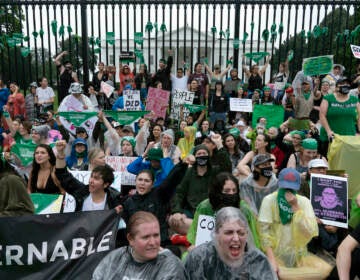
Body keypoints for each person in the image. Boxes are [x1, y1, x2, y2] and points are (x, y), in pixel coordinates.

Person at [258, 168, 333, 279]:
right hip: (274, 255)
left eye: (291, 188)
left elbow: (310, 232)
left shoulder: (304, 202)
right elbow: (264, 233)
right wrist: (272, 260)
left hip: (299, 256)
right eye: (285, 187)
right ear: (279, 184)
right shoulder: (269, 200)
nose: (288, 191)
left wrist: (296, 207)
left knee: (324, 270)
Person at [185, 207, 276, 279]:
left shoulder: (258, 261)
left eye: (241, 233)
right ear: (216, 234)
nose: (236, 238)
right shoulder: (199, 258)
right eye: (229, 232)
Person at [92, 211, 188, 280]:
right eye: (146, 237)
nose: (152, 242)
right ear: (130, 239)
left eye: (156, 235)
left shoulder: (171, 267)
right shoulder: (115, 259)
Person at [186, 173, 260, 250]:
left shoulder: (244, 209)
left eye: (234, 190)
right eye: (227, 191)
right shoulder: (204, 207)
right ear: (217, 192)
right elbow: (195, 238)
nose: (231, 194)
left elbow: (253, 242)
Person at [55, 140, 121, 212]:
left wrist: (118, 213)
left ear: (105, 184)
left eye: (96, 178)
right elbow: (62, 175)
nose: (91, 181)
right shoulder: (82, 192)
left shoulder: (115, 199)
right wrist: (60, 154)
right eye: (91, 177)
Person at [122, 169, 179, 244]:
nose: (142, 183)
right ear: (135, 181)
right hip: (137, 244)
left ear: (152, 184)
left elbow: (172, 180)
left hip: (159, 242)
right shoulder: (127, 202)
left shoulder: (159, 195)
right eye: (140, 180)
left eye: (146, 181)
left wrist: (182, 163)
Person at [319, 77, 360, 155]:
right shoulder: (328, 98)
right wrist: (328, 131)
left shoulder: (354, 99)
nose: (346, 86)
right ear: (337, 87)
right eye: (343, 84)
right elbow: (322, 115)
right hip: (331, 137)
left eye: (347, 84)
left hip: (349, 137)